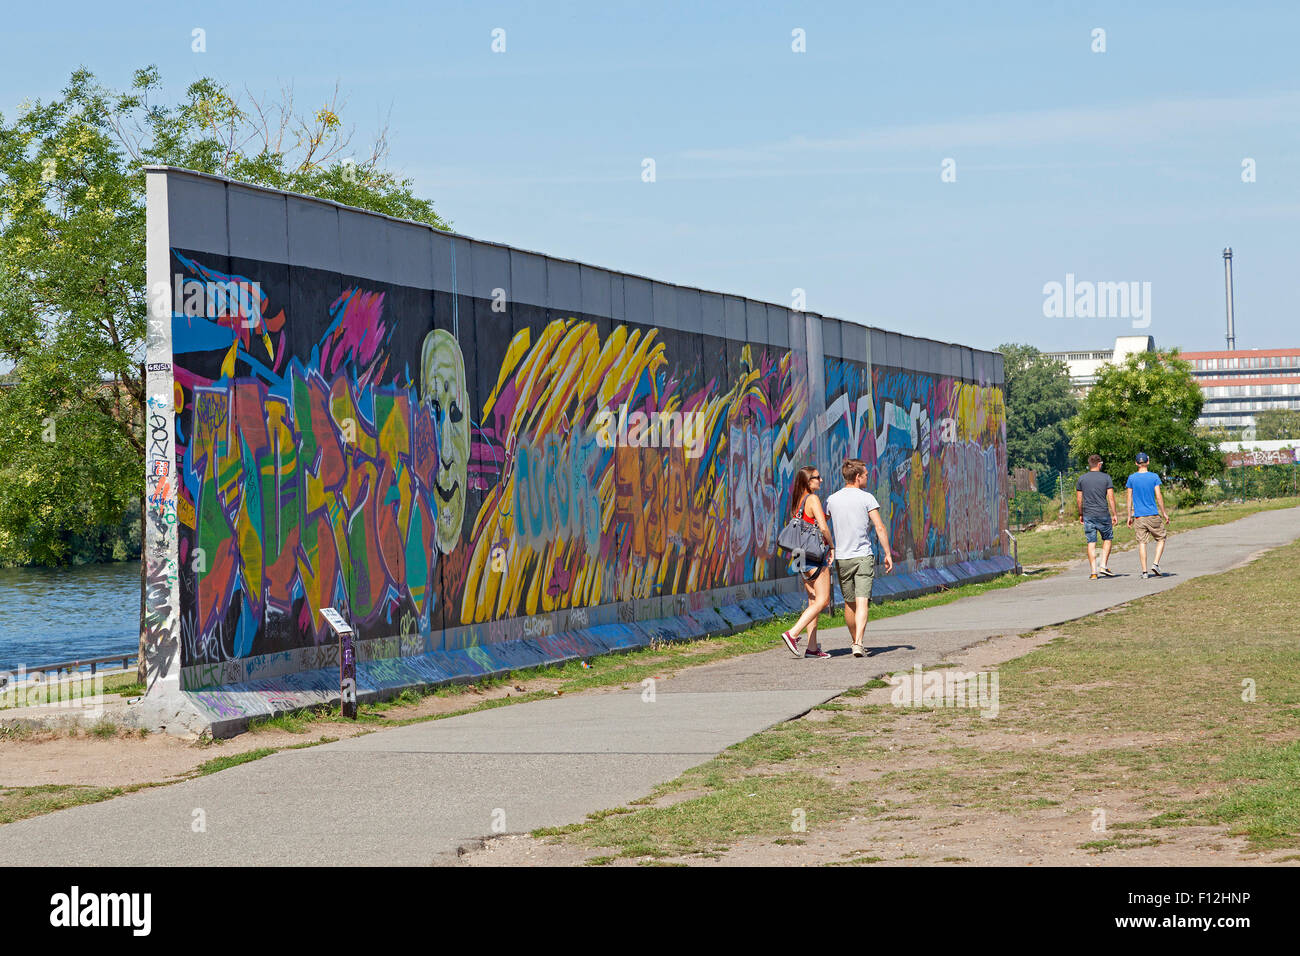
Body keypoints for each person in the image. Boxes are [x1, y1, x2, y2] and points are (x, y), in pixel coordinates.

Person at [824, 458, 894, 658]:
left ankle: (855, 640)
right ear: (857, 477)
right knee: (862, 602)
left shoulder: (832, 499)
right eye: (864, 475)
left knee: (849, 603)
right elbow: (879, 527)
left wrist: (829, 547)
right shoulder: (867, 498)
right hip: (863, 556)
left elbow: (823, 523)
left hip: (842, 558)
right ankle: (858, 642)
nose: (867, 477)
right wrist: (887, 553)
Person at [780, 466, 836, 659]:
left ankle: (812, 648)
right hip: (814, 555)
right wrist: (832, 546)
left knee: (813, 600)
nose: (821, 480)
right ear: (808, 480)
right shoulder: (812, 499)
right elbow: (823, 527)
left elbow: (806, 522)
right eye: (817, 477)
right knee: (823, 600)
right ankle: (793, 633)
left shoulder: (798, 501)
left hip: (800, 556)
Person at [1126, 452, 1171, 578]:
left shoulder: (1132, 478)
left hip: (1139, 516)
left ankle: (1144, 572)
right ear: (1148, 462)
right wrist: (1164, 513)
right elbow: (1158, 496)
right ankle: (1155, 563)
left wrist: (1129, 516)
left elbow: (1129, 498)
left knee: (1142, 542)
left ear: (1136, 463)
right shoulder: (1154, 477)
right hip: (1152, 514)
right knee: (1161, 538)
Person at [1075, 453, 1119, 579]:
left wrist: (1081, 513)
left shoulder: (1082, 479)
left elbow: (1079, 499)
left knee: (1091, 542)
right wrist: (1114, 513)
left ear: (1090, 464)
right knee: (1107, 538)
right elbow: (1111, 497)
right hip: (1103, 513)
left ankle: (1093, 572)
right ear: (1099, 464)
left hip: (1088, 514)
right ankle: (1103, 565)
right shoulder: (1106, 478)